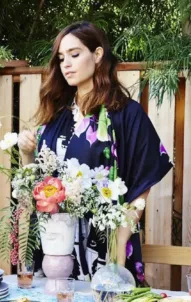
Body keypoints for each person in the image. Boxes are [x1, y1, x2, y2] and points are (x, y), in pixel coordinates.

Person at [18, 21, 173, 285]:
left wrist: (122, 236)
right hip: (56, 249)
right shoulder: (56, 117)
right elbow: (36, 188)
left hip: (105, 243)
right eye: (61, 58)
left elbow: (143, 184)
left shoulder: (126, 114)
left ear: (97, 55)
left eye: (75, 55)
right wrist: (26, 155)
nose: (66, 64)